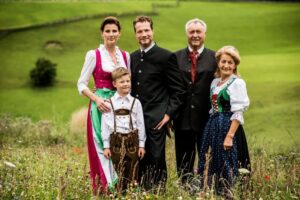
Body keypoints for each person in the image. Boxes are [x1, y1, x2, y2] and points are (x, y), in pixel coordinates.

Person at [130, 15, 185, 189]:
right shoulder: (131, 57)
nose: (144, 34)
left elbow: (178, 91)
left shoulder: (166, 56)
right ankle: (140, 190)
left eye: (147, 30)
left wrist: (168, 114)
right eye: (140, 31)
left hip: (156, 119)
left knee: (155, 157)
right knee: (138, 157)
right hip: (134, 119)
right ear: (135, 34)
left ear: (152, 31)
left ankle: (158, 192)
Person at [77, 16, 130, 193]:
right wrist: (97, 99)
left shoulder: (125, 56)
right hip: (101, 107)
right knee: (102, 146)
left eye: (114, 30)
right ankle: (106, 189)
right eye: (107, 31)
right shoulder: (94, 55)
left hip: (120, 107)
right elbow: (81, 84)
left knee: (120, 146)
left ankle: (122, 186)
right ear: (102, 34)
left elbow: (128, 82)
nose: (111, 34)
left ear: (119, 33)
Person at [197, 45, 250, 195]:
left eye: (230, 63)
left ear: (235, 65)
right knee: (212, 159)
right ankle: (212, 192)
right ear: (218, 63)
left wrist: (229, 136)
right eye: (223, 62)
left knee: (228, 161)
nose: (226, 65)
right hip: (213, 125)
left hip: (228, 125)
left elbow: (238, 112)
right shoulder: (215, 82)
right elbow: (214, 108)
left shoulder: (237, 83)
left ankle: (229, 193)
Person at [174, 18, 217, 184]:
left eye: (199, 32)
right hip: (182, 118)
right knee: (183, 160)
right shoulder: (175, 57)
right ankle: (184, 190)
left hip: (207, 118)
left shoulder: (215, 57)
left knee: (208, 159)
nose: (195, 35)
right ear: (187, 33)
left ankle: (206, 188)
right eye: (192, 32)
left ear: (205, 34)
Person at [101, 67, 146, 193]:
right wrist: (106, 146)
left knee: (133, 169)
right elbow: (105, 125)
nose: (126, 84)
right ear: (114, 84)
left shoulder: (135, 103)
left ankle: (131, 193)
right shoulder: (109, 103)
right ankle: (119, 192)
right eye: (122, 82)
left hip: (132, 140)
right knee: (118, 169)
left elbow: (141, 124)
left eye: (128, 81)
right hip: (115, 140)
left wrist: (141, 145)